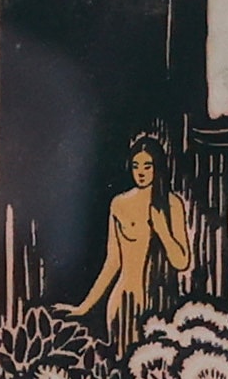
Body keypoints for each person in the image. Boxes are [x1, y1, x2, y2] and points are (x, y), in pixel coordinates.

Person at [69, 134, 191, 333]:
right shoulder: (120, 204)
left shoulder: (172, 204)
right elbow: (112, 263)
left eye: (147, 166)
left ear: (158, 168)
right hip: (124, 302)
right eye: (136, 166)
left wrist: (162, 230)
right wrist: (84, 307)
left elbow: (182, 262)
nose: (141, 172)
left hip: (161, 305)